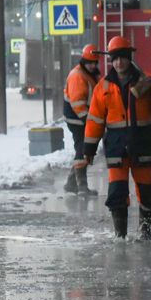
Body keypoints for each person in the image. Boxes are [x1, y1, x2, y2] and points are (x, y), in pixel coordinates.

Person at [83, 35, 151, 239]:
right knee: (117, 193)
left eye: (122, 58)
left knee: (147, 192)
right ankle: (120, 235)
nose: (118, 62)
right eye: (114, 59)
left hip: (142, 145)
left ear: (129, 58)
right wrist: (88, 149)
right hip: (117, 148)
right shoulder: (103, 87)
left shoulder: (146, 81)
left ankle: (144, 230)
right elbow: (95, 120)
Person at [62, 44, 101, 195]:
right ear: (83, 61)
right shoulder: (77, 75)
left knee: (83, 148)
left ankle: (71, 183)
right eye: (89, 62)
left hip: (83, 118)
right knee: (82, 149)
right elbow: (77, 102)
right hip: (77, 119)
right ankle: (82, 187)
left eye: (94, 62)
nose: (92, 65)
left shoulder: (88, 74)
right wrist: (87, 119)